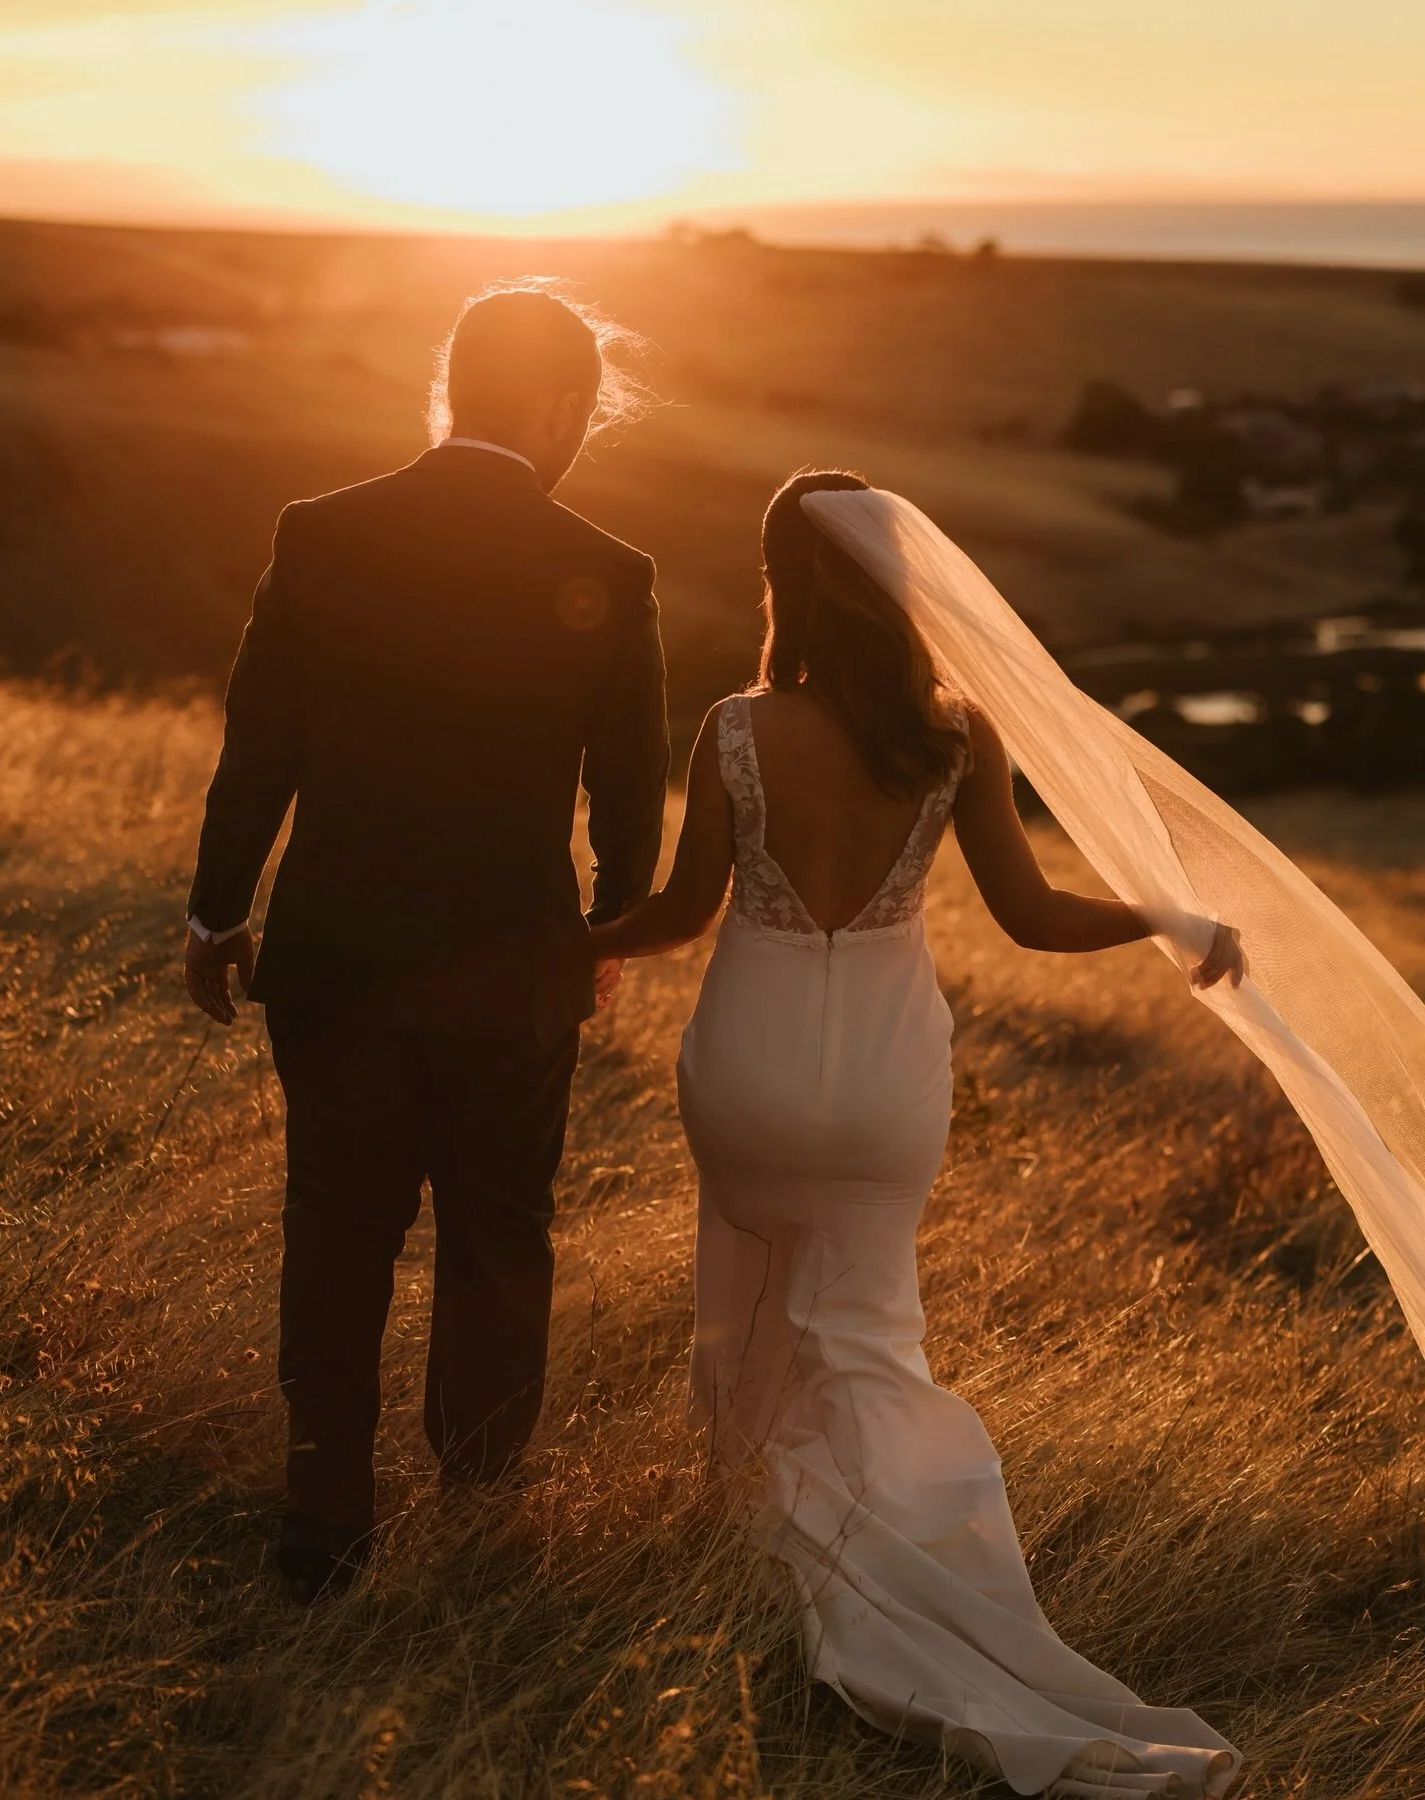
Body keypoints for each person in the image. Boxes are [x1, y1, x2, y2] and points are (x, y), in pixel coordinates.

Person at [589, 471, 1244, 1798]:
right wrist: (1169, 921)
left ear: (783, 584)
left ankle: (780, 1571)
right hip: (888, 1080)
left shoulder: (734, 727)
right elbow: (1031, 914)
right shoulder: (950, 735)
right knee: (871, 1339)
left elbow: (678, 912)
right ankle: (911, 1584)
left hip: (752, 1067)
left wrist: (566, 943)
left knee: (754, 1314)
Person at [183, 285, 668, 1601]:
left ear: (454, 387)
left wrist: (219, 910)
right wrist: (610, 930)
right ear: (565, 407)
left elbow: (256, 751)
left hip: (335, 957)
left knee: (337, 1227)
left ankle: (321, 1523)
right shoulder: (610, 573)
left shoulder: (324, 533)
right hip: (514, 971)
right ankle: (474, 1523)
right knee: (500, 1238)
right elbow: (632, 794)